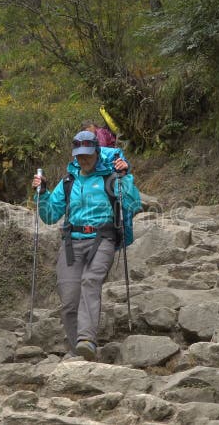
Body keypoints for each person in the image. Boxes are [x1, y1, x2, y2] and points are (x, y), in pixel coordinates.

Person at [32, 130, 142, 361]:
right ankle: (80, 353)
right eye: (80, 155)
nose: (84, 159)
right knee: (69, 300)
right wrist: (42, 195)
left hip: (103, 239)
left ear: (97, 152)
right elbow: (51, 215)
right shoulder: (68, 182)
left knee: (90, 281)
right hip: (72, 243)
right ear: (74, 154)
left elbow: (132, 203)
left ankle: (86, 339)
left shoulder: (110, 177)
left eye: (88, 154)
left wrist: (125, 177)